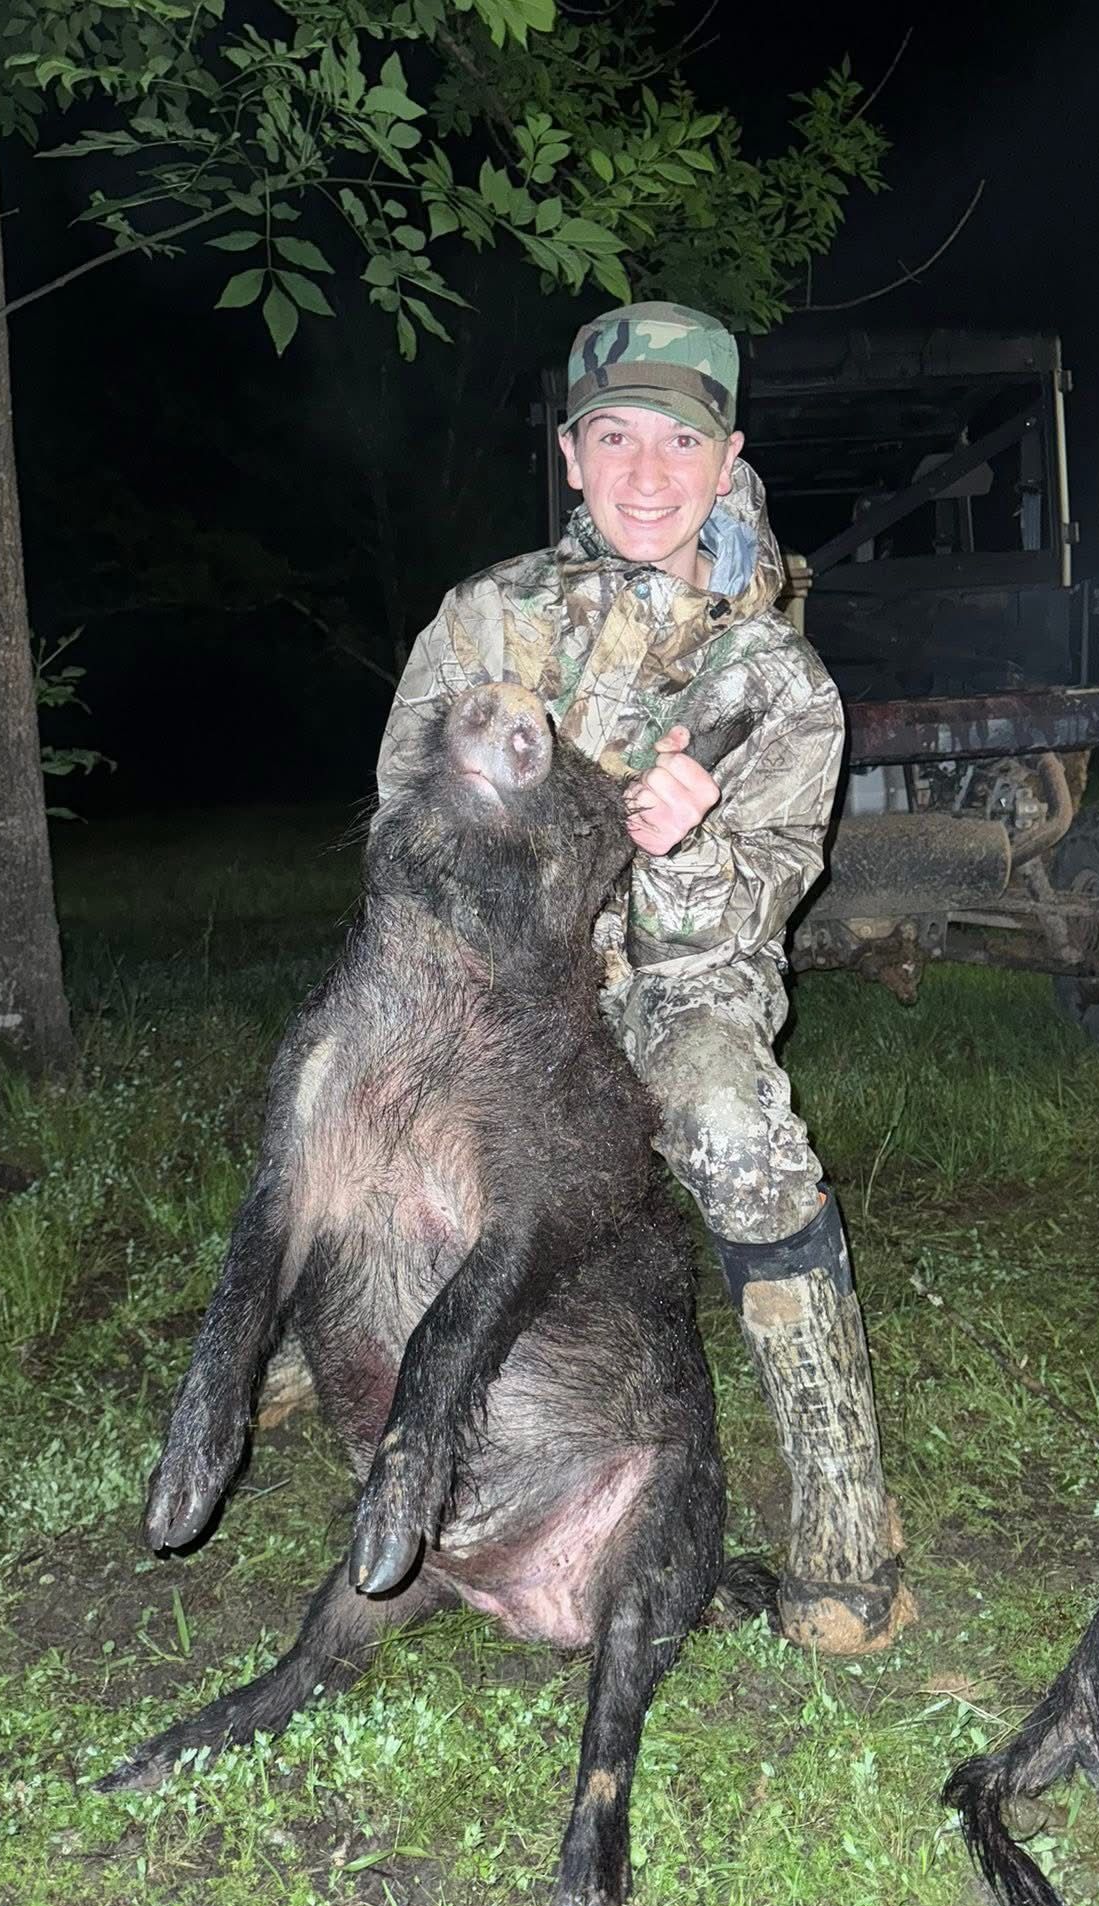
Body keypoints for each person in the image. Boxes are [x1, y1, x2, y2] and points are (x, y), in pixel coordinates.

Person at [377, 302, 913, 1654]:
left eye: (679, 439)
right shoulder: (483, 623)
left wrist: (674, 852)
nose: (646, 472)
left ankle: (848, 1512)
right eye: (614, 436)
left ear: (726, 456)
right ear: (570, 455)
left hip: (680, 988)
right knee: (365, 1110)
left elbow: (766, 901)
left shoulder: (780, 684)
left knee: (736, 1126)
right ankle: (353, 1375)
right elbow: (398, 827)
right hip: (503, 977)